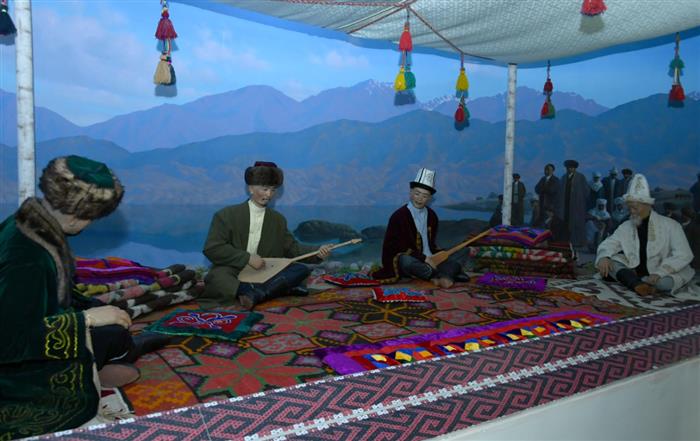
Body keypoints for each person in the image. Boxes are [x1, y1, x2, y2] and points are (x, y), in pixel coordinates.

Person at [0, 156, 169, 439]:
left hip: (41, 329)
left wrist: (95, 308)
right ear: (76, 214)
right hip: (14, 375)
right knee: (109, 336)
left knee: (114, 330)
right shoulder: (26, 258)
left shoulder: (33, 223)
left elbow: (56, 293)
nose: (89, 224)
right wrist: (86, 319)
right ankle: (89, 377)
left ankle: (104, 364)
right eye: (91, 217)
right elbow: (9, 340)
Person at [201, 161, 332, 309]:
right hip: (233, 268)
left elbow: (292, 249)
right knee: (218, 278)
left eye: (273, 190)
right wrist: (247, 258)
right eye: (264, 189)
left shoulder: (278, 220)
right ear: (251, 188)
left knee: (300, 270)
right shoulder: (226, 215)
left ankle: (257, 293)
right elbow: (213, 248)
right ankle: (270, 289)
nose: (269, 194)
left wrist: (318, 252)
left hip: (264, 270)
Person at [596, 174, 695, 296]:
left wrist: (660, 272)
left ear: (647, 205)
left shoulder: (671, 225)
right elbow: (610, 243)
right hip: (635, 270)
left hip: (662, 272)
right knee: (611, 264)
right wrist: (604, 256)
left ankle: (637, 282)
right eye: (629, 208)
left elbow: (684, 254)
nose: (631, 211)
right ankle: (637, 284)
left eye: (635, 208)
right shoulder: (626, 225)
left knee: (663, 283)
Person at [371, 168, 466, 288]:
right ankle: (444, 274)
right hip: (412, 258)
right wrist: (424, 258)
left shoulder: (432, 216)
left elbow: (431, 244)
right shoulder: (399, 216)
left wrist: (434, 257)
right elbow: (394, 245)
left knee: (461, 251)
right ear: (411, 193)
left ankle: (439, 274)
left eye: (425, 196)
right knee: (406, 262)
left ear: (430, 198)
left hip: (430, 257)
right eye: (417, 193)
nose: (420, 198)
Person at [556, 159, 588, 247]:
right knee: (565, 223)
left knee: (577, 224)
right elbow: (559, 191)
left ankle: (578, 242)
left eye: (571, 167)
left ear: (575, 168)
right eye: (568, 167)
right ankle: (566, 242)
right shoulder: (563, 178)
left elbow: (586, 191)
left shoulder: (581, 177)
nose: (569, 169)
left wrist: (581, 201)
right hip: (565, 205)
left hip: (577, 205)